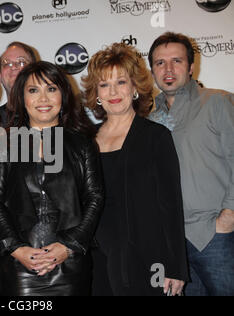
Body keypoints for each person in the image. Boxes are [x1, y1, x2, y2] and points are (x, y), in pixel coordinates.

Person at [0, 61, 104, 296]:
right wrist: (16, 248)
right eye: (33, 90)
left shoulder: (82, 143)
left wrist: (69, 245)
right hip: (21, 267)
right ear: (22, 97)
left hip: (70, 264)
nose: (43, 98)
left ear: (63, 95)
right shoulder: (5, 143)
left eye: (51, 89)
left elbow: (95, 197)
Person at [83, 43, 189, 296]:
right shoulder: (86, 143)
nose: (113, 91)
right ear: (96, 93)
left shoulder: (156, 137)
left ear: (134, 88)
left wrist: (176, 267)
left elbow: (171, 205)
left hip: (150, 258)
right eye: (104, 84)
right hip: (100, 259)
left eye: (121, 82)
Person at [148, 32, 234, 296]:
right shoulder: (150, 120)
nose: (169, 69)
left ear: (191, 67)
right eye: (160, 63)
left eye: (177, 61)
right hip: (174, 241)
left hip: (215, 235)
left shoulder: (218, 101)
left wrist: (228, 216)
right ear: (152, 71)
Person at [0, 41, 38, 126]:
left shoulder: (52, 116)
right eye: (7, 63)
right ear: (0, 76)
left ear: (35, 72)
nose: (14, 67)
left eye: (21, 62)